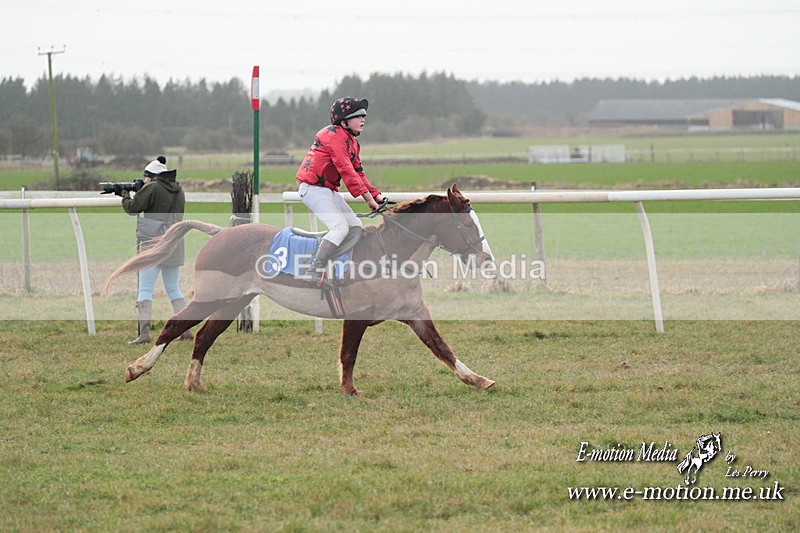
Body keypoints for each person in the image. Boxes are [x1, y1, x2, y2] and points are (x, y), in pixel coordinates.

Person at [296, 97, 387, 281]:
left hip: (328, 191)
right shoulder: (333, 135)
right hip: (312, 189)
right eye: (358, 116)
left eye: (364, 116)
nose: (363, 119)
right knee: (339, 228)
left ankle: (332, 262)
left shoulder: (352, 142)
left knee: (355, 228)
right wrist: (368, 200)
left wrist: (376, 195)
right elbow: (347, 171)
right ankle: (314, 268)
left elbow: (358, 173)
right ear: (343, 121)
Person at [117, 156, 192, 344]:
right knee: (174, 289)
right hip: (174, 243)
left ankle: (144, 334)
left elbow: (133, 208)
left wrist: (125, 194)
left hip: (153, 244)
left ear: (152, 177)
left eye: (146, 177)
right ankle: (187, 330)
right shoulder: (179, 189)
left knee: (145, 289)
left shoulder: (153, 188)